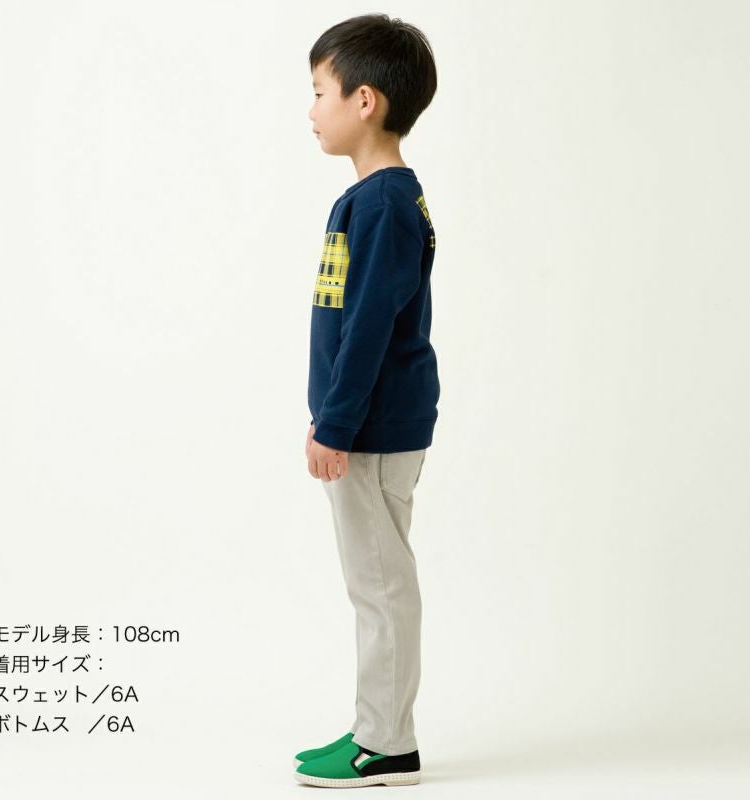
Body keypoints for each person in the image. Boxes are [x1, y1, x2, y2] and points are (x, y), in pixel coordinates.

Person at [293, 13, 440, 790]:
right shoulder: (375, 200)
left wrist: (337, 423)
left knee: (380, 587)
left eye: (320, 91)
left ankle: (385, 746)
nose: (311, 109)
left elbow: (372, 325)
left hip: (371, 429)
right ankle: (376, 729)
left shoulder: (382, 206)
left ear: (365, 100)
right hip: (369, 424)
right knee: (377, 583)